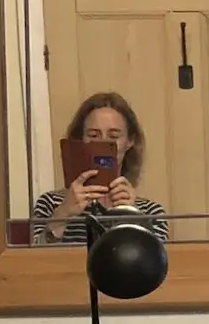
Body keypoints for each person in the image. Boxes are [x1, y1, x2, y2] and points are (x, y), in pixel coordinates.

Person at [29, 90, 169, 244]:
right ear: (80, 140)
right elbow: (32, 263)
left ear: (130, 142)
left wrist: (130, 216)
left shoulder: (150, 212)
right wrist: (62, 215)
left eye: (114, 136)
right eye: (93, 135)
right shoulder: (49, 203)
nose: (102, 143)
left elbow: (156, 264)